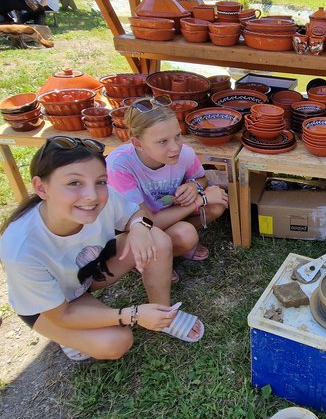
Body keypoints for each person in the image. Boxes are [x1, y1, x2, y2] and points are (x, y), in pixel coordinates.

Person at [0, 136, 205, 363]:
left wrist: (138, 226)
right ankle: (68, 337)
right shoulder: (20, 248)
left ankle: (162, 313)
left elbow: (136, 215)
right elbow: (62, 314)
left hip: (87, 274)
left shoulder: (104, 197)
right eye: (74, 183)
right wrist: (133, 314)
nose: (92, 195)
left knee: (155, 238)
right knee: (115, 342)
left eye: (100, 181)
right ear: (41, 187)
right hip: (53, 307)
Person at [106, 97, 229, 282]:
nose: (175, 148)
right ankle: (153, 259)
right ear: (137, 143)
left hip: (167, 214)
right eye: (162, 141)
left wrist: (194, 186)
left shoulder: (185, 153)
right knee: (185, 235)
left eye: (177, 136)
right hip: (137, 228)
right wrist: (199, 200)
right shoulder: (119, 165)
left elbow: (201, 178)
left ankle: (168, 249)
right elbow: (146, 222)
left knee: (217, 205)